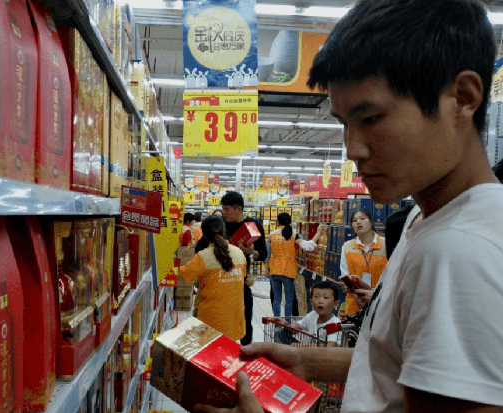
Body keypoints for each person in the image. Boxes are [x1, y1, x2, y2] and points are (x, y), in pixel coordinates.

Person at [196, 1, 503, 412]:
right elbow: (399, 364)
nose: (353, 149)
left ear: (462, 98)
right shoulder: (427, 218)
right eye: (343, 123)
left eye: (371, 118)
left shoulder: (458, 251)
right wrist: (307, 361)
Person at [195, 191, 267, 346]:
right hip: (216, 283)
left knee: (245, 322)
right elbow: (199, 247)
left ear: (239, 209)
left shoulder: (253, 225)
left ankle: (245, 352)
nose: (224, 213)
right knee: (215, 323)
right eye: (223, 209)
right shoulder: (219, 223)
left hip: (240, 282)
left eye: (227, 209)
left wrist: (252, 253)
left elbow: (263, 254)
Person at [178, 216, 246, 340]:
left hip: (211, 321)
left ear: (204, 234)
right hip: (235, 319)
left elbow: (184, 273)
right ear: (223, 230)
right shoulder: (239, 253)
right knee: (229, 351)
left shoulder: (203, 257)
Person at [266, 212, 322, 318]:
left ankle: (276, 322)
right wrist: (318, 233)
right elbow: (309, 247)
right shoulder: (293, 234)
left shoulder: (272, 234)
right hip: (288, 270)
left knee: (277, 299)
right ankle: (287, 323)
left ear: (278, 222)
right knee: (289, 299)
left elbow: (268, 254)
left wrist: (266, 269)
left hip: (274, 269)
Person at [339, 209, 388, 314]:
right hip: (354, 307)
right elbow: (345, 275)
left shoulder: (386, 244)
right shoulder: (347, 247)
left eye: (362, 218)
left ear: (371, 222)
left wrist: (373, 296)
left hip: (381, 305)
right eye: (354, 220)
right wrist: (360, 299)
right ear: (352, 226)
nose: (358, 222)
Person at [293, 281, 341, 347]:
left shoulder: (334, 323)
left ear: (335, 304)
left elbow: (330, 346)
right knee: (281, 334)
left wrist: (301, 346)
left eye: (325, 297)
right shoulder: (312, 315)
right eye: (316, 297)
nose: (320, 301)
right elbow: (294, 330)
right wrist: (285, 324)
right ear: (311, 301)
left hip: (324, 353)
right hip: (309, 351)